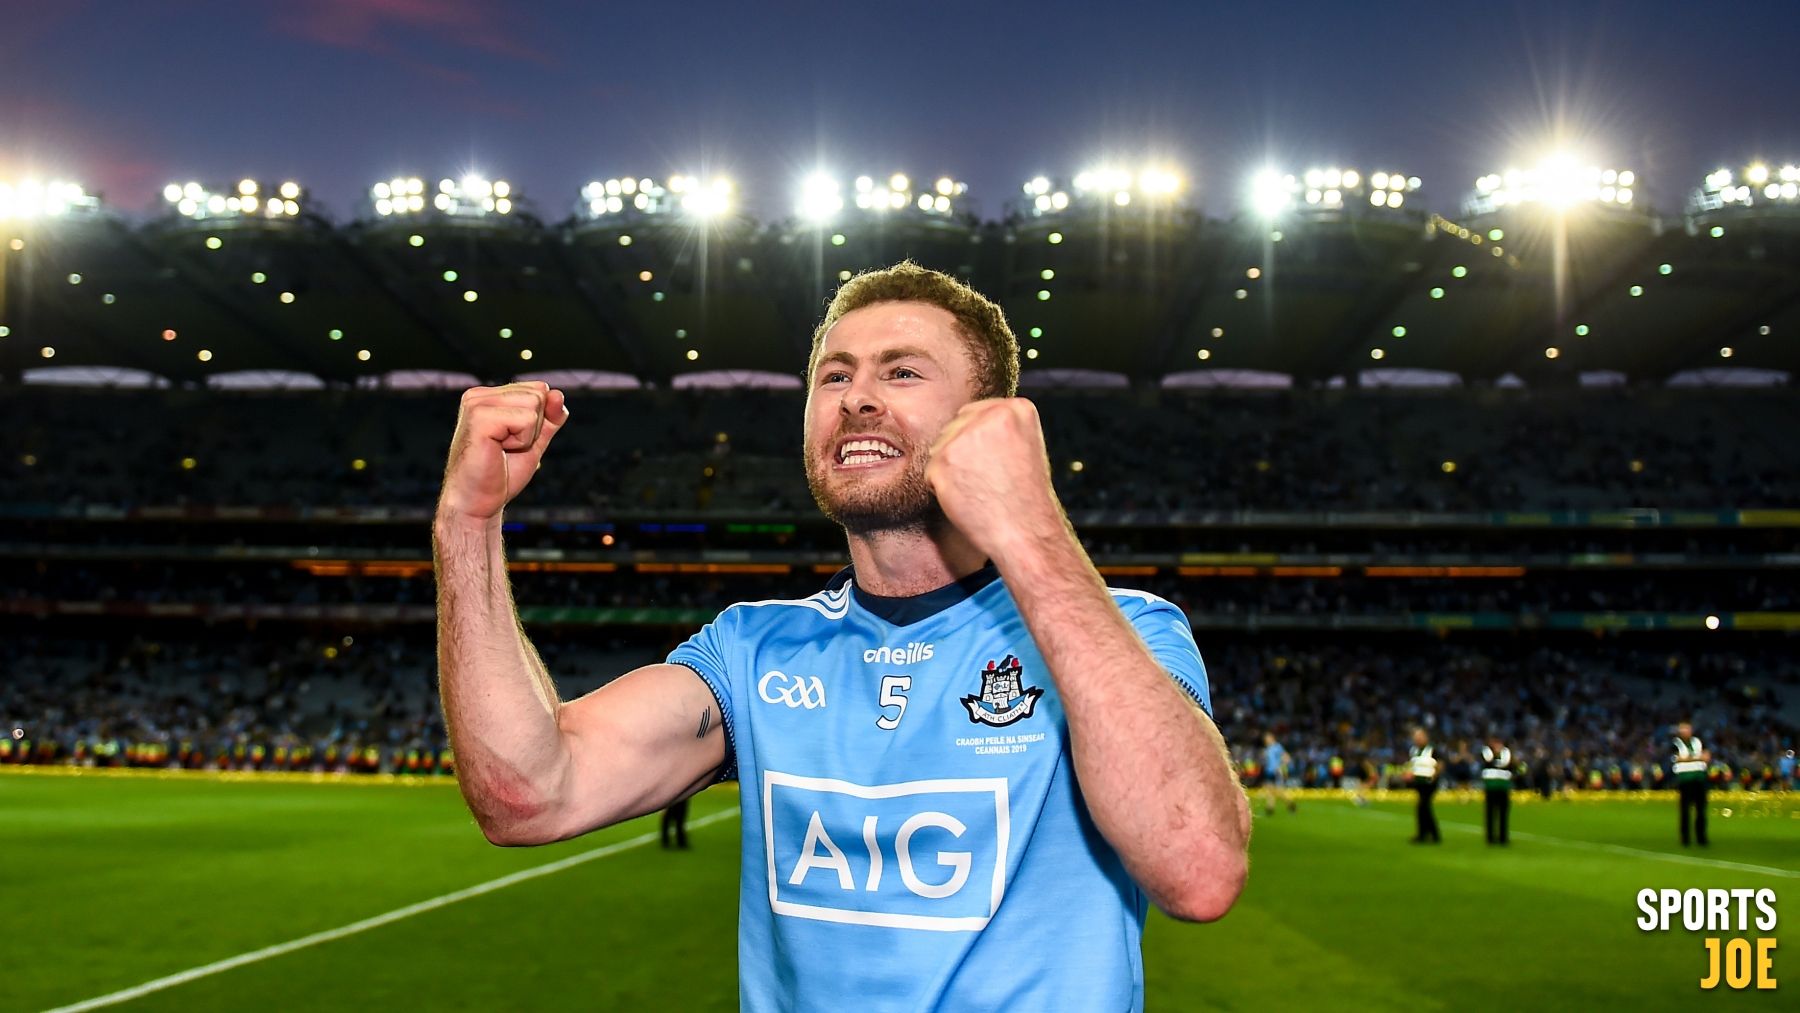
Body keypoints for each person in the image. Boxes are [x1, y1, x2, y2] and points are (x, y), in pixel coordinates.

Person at [433, 262, 1251, 1011]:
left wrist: (1029, 527)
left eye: (901, 371)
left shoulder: (1124, 632)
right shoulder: (752, 651)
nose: (856, 397)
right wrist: (467, 523)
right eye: (834, 375)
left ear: (989, 420)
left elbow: (1200, 869)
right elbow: (529, 794)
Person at [1671, 721, 1710, 847]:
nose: (1685, 732)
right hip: (1685, 780)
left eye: (1687, 729)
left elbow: (1707, 757)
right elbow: (1678, 758)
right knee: (1685, 810)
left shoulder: (1698, 741)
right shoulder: (1675, 743)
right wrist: (1697, 757)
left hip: (1699, 779)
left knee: (1701, 810)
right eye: (1683, 730)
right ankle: (1685, 837)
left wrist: (1688, 758)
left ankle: (1701, 837)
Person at [1407, 728, 1440, 844]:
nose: (1417, 739)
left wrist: (1434, 777)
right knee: (1422, 808)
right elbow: (1413, 765)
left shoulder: (1432, 749)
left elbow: (1440, 765)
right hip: (1419, 782)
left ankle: (1433, 834)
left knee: (1424, 807)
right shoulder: (1414, 750)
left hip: (1429, 783)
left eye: (1420, 736)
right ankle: (1424, 833)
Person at [1480, 734, 1512, 845]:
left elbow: (1507, 764)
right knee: (1490, 813)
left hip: (1503, 787)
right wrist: (1496, 757)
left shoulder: (1506, 753)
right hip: (1491, 787)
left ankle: (1503, 837)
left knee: (1503, 813)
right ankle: (1490, 838)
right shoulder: (1486, 752)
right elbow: (1488, 762)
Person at [1261, 731, 1296, 815]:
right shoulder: (1267, 749)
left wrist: (1280, 766)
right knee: (1270, 791)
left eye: (1267, 738)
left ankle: (1290, 803)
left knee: (1280, 791)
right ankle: (1270, 808)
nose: (1266, 740)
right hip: (1269, 771)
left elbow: (1287, 758)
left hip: (1276, 772)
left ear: (1272, 738)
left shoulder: (1277, 747)